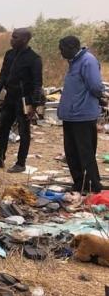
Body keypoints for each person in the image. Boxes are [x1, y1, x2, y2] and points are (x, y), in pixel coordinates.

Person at [0, 28, 43, 173]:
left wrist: (33, 105)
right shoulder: (9, 55)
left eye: (15, 37)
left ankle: (21, 163)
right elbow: (3, 75)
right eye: (12, 37)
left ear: (24, 40)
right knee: (3, 127)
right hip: (10, 96)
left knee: (24, 131)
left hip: (24, 99)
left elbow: (37, 84)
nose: (11, 39)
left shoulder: (34, 59)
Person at [58, 36, 105, 194]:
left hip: (83, 115)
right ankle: (79, 184)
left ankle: (94, 186)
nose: (61, 52)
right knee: (71, 152)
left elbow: (96, 86)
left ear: (72, 47)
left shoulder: (87, 61)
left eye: (62, 48)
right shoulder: (73, 62)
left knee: (85, 153)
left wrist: (98, 99)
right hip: (71, 115)